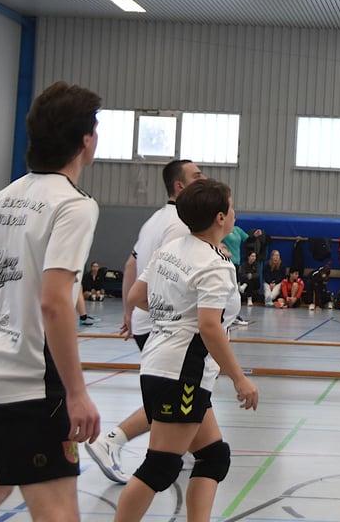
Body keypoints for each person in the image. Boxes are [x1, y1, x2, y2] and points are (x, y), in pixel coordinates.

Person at [114, 179, 258, 522]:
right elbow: (209, 326)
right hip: (182, 373)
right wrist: (240, 379)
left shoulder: (172, 249)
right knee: (161, 467)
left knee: (213, 457)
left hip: (158, 364)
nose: (235, 212)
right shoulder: (215, 264)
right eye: (232, 206)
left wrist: (171, 313)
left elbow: (136, 297)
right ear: (221, 217)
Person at [0, 81, 102, 520]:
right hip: (34, 388)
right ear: (84, 141)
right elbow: (56, 302)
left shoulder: (1, 201)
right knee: (58, 513)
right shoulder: (73, 205)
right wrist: (77, 393)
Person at [87, 158, 205, 484]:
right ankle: (113, 441)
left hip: (144, 319)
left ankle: (186, 449)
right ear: (180, 187)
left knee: (187, 395)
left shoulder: (155, 219)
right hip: (164, 324)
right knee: (173, 395)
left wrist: (129, 312)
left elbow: (131, 265)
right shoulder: (182, 224)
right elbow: (173, 276)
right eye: (197, 175)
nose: (204, 178)